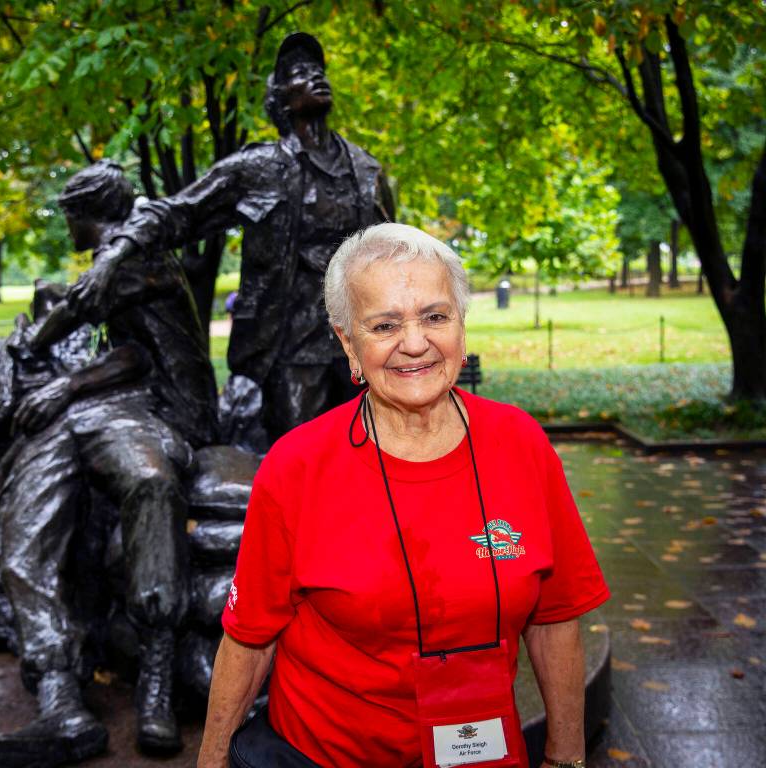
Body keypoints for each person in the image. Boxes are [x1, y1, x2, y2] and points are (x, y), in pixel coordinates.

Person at [198, 223, 610, 768]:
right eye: (385, 325)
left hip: (480, 753)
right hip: (324, 755)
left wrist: (566, 758)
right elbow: (250, 638)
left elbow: (555, 618)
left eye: (436, 317)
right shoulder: (297, 466)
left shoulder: (521, 444)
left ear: (462, 325)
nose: (415, 344)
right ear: (348, 343)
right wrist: (211, 760)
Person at [0, 160, 219, 767]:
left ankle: (157, 679)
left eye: (69, 216)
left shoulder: (133, 257)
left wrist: (27, 349)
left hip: (157, 411)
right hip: (100, 407)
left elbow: (82, 312)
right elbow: (125, 348)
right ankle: (59, 700)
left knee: (150, 481)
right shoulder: (121, 261)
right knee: (27, 525)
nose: (68, 229)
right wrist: (61, 388)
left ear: (87, 213)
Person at [76, 32, 394, 444]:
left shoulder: (367, 171)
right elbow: (176, 213)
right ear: (280, 100)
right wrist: (113, 256)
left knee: (374, 454)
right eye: (299, 73)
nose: (316, 77)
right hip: (290, 348)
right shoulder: (257, 168)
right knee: (302, 457)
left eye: (318, 71)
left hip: (362, 340)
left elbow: (393, 253)